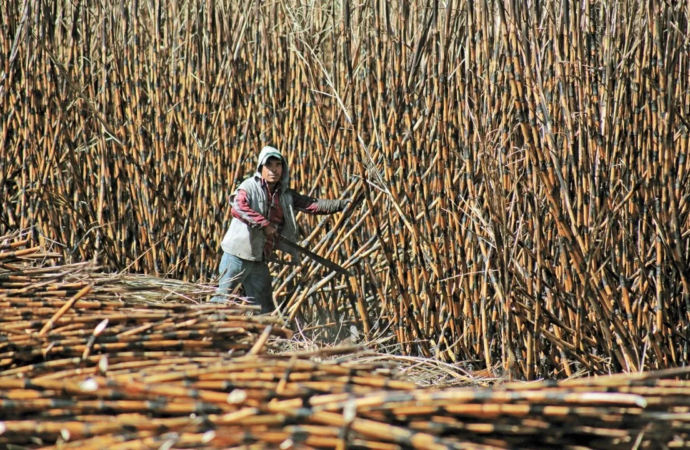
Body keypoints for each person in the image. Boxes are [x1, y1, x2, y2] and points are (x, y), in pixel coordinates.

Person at [212, 145, 350, 313]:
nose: (274, 170)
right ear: (261, 168)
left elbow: (311, 204)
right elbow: (237, 207)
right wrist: (263, 224)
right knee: (222, 299)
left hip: (258, 257)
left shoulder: (284, 195)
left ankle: (260, 338)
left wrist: (341, 205)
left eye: (278, 165)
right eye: (269, 165)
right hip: (236, 254)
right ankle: (203, 331)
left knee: (264, 307)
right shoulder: (249, 187)